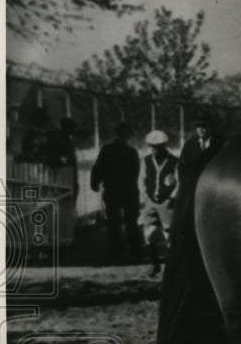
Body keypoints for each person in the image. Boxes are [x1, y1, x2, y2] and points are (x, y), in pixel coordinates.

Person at [90, 122, 143, 263]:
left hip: (112, 190)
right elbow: (135, 173)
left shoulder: (106, 150)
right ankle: (136, 252)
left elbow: (97, 169)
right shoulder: (132, 152)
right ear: (128, 136)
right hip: (129, 191)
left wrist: (95, 184)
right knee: (132, 222)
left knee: (113, 223)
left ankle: (115, 254)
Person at [139, 130, 179, 278]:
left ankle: (170, 268)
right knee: (148, 234)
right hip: (150, 204)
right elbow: (141, 183)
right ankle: (155, 265)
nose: (154, 149)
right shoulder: (146, 160)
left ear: (164, 146)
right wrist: (147, 200)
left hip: (167, 205)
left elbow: (178, 184)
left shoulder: (174, 161)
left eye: (158, 146)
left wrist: (169, 200)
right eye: (152, 146)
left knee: (169, 236)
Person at [178, 112, 223, 191]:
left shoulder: (219, 143)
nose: (201, 129)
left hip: (215, 183)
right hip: (193, 184)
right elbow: (182, 166)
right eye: (198, 126)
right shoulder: (189, 144)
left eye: (204, 126)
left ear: (210, 127)